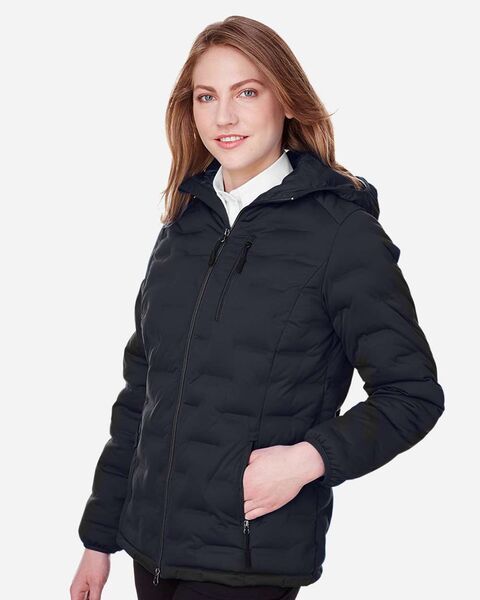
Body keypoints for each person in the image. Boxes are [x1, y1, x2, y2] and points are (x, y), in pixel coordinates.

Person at [70, 15, 445, 600]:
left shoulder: (342, 235)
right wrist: (99, 538)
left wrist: (306, 461)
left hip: (249, 557)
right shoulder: (183, 227)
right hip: (151, 550)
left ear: (286, 100)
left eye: (246, 92)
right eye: (206, 96)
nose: (224, 116)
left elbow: (412, 394)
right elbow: (143, 391)